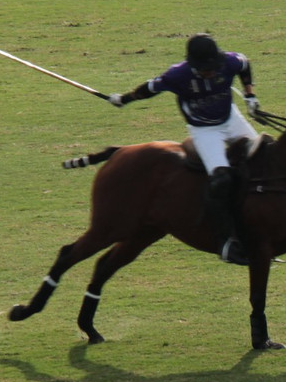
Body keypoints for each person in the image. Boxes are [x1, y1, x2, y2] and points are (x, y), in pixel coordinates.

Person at [108, 33, 260, 264]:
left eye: (212, 67)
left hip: (231, 118)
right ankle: (226, 241)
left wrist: (250, 95)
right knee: (221, 180)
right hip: (204, 130)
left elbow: (244, 64)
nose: (210, 72)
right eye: (205, 68)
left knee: (263, 156)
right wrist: (124, 99)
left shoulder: (228, 62)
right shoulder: (177, 75)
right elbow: (149, 89)